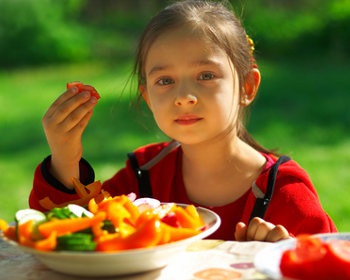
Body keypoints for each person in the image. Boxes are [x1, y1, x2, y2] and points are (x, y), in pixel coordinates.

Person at [29, 0, 337, 242]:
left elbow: (330, 263)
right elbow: (69, 234)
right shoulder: (143, 175)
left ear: (247, 87)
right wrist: (65, 156)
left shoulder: (284, 193)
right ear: (147, 97)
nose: (184, 96)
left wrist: (281, 258)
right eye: (165, 80)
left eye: (206, 75)